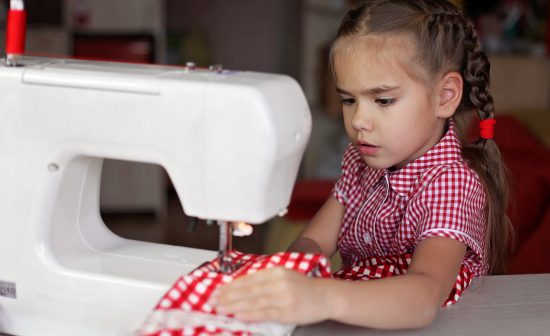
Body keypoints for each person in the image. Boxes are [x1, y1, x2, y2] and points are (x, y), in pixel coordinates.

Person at [218, 0, 513, 329]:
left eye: (383, 100)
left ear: (444, 96)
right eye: (349, 100)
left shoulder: (452, 183)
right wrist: (292, 273)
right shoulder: (361, 163)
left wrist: (322, 297)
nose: (359, 120)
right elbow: (315, 240)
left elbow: (424, 295)